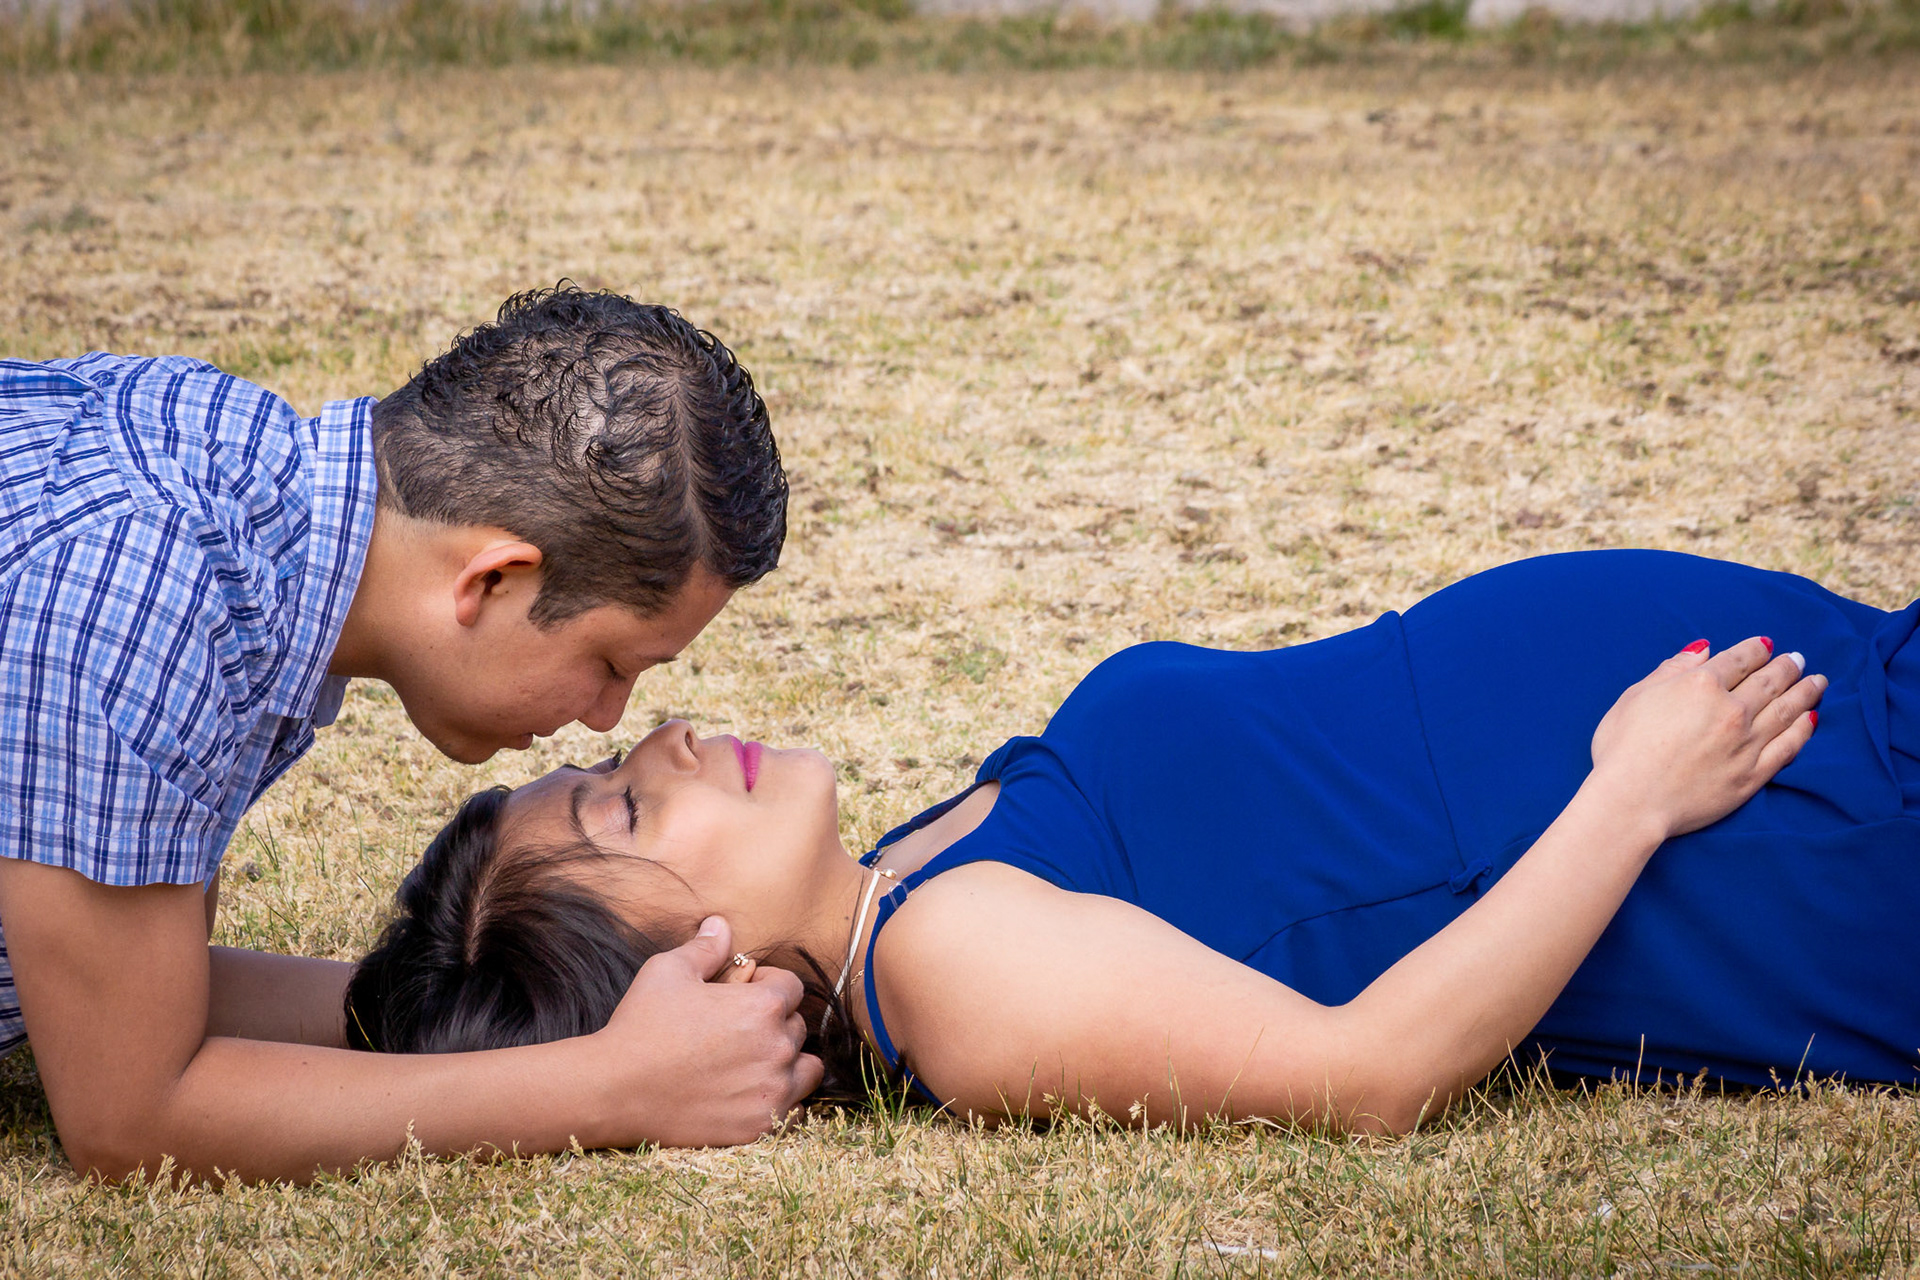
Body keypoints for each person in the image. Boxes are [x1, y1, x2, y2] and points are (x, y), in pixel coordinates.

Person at [348, 549, 1920, 1136]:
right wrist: (1633, 793)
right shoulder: (951, 969)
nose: (672, 738)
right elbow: (1363, 1073)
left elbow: (368, 1007)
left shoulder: (904, 870)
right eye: (627, 806)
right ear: (681, 971)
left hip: (1811, 736)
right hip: (1804, 844)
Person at [0, 286, 823, 1185]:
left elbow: (137, 996)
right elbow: (129, 1122)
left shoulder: (227, 478)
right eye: (612, 663)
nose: (607, 717)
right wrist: (613, 1084)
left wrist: (521, 1018)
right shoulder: (141, 597)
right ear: (492, 581)